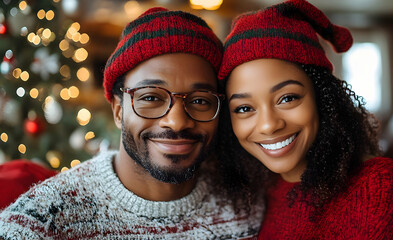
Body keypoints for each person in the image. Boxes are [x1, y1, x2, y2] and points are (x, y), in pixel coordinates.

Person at [0, 7, 264, 239]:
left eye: (200, 101)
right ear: (118, 110)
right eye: (150, 97)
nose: (176, 121)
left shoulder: (247, 200)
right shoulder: (43, 221)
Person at [216, 0, 393, 239]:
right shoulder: (256, 195)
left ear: (323, 97)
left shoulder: (382, 187)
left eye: (287, 98)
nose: (268, 124)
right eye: (244, 108)